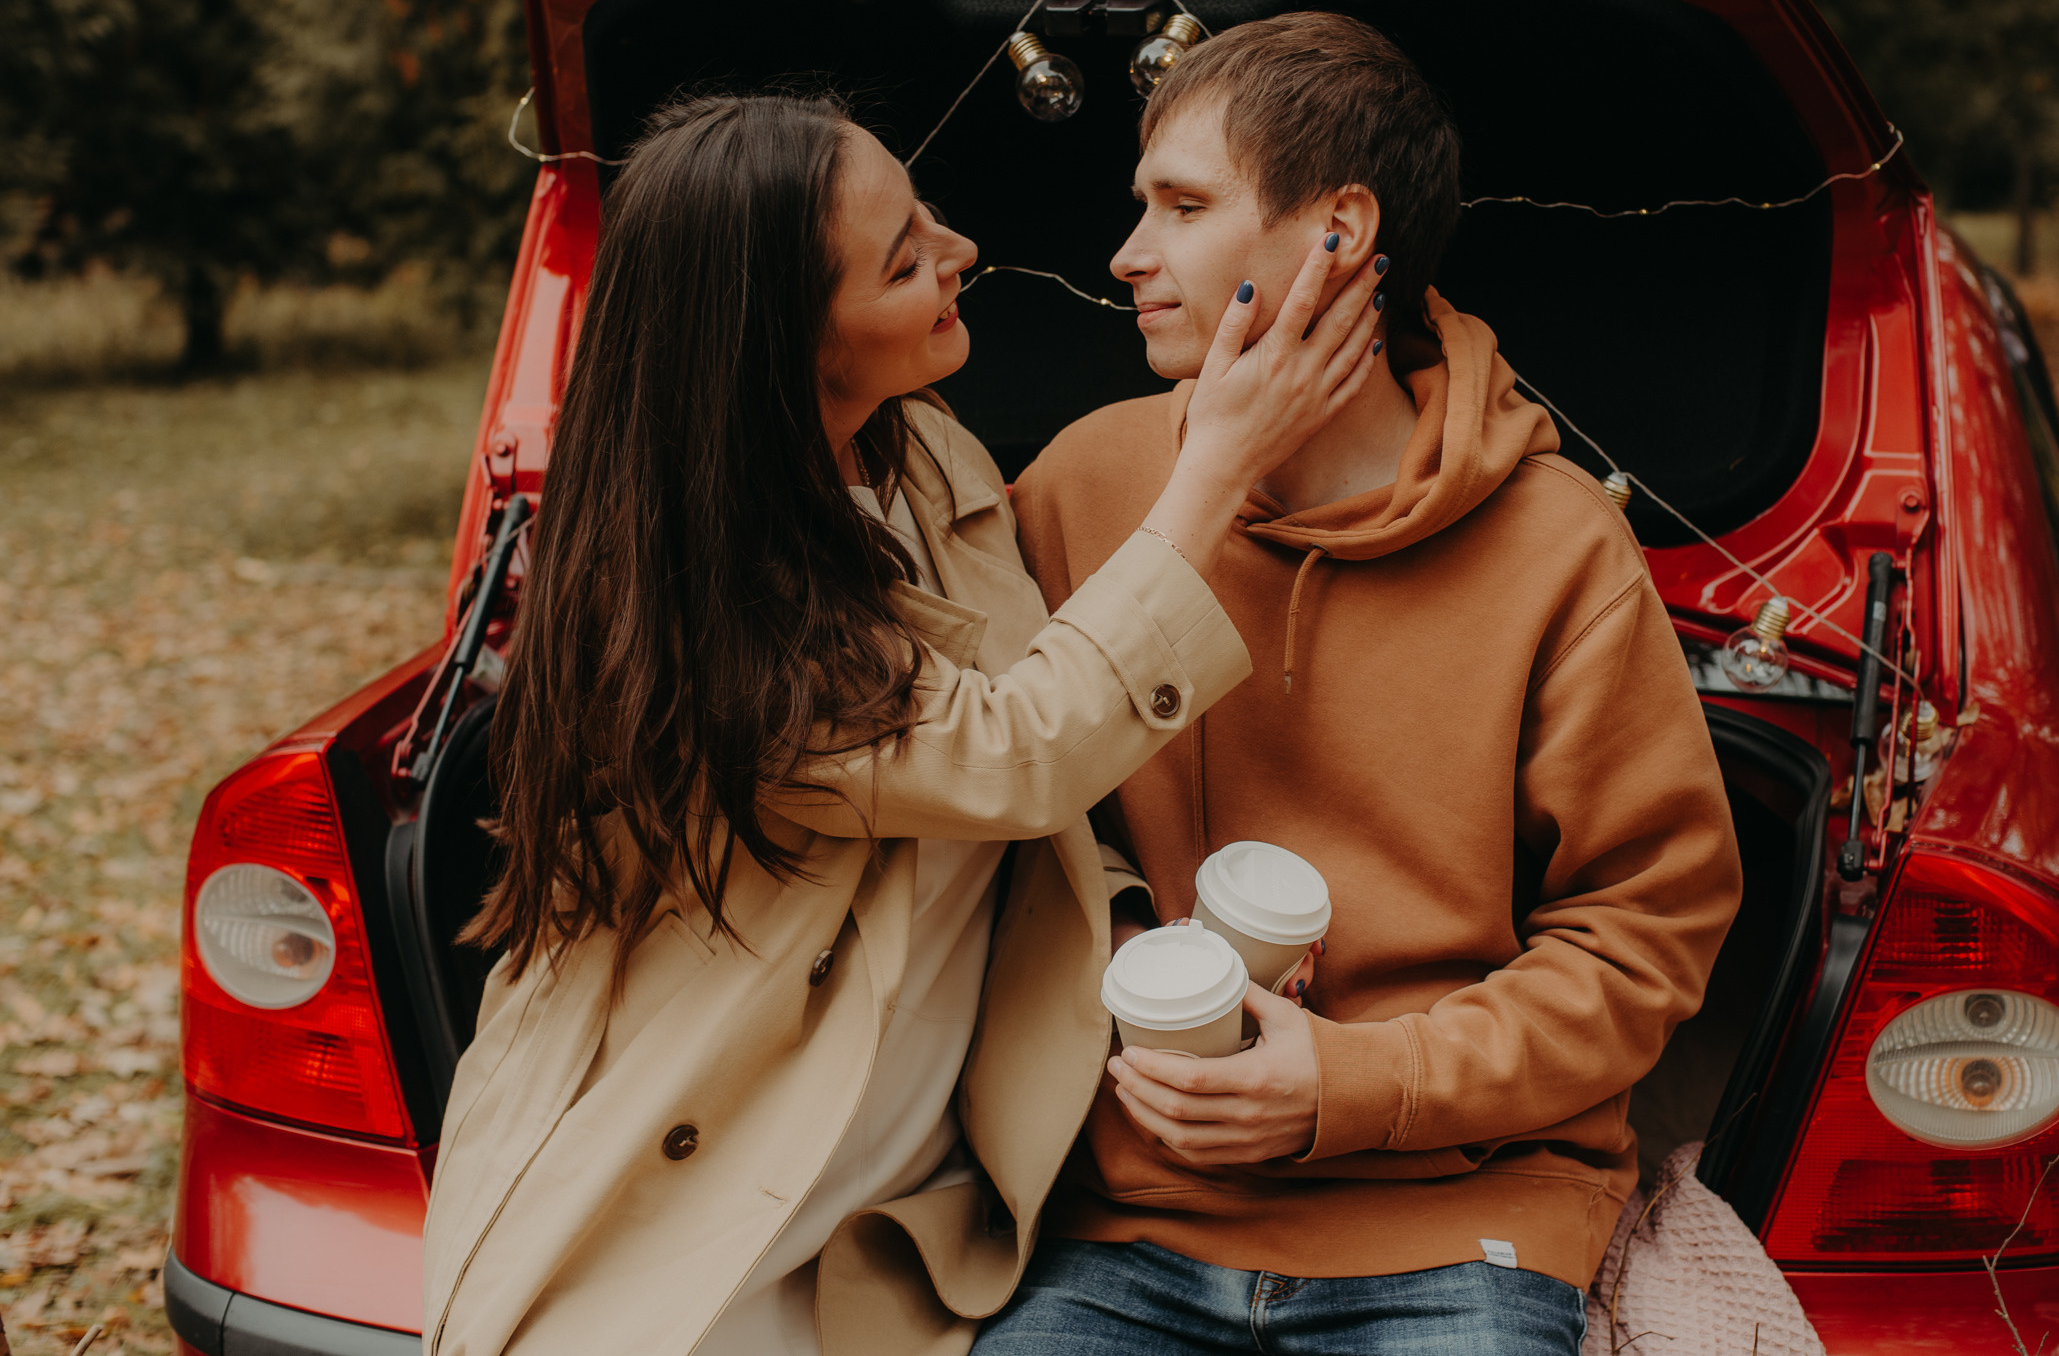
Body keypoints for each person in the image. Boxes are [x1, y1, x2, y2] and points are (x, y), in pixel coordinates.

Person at [419, 91, 1384, 1356]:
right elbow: (1008, 755)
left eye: (927, 213)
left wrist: (1122, 922)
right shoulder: (697, 607)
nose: (960, 250)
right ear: (791, 340)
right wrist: (1213, 469)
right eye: (903, 258)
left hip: (885, 1206)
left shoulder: (924, 454)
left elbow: (1009, 787)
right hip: (677, 1203)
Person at [983, 13, 1744, 1355]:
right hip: (1129, 1218)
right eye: (1140, 207)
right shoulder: (1082, 482)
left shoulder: (1560, 544)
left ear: (1338, 230)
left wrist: (1356, 1081)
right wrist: (1133, 965)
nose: (1127, 256)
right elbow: (995, 811)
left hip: (1456, 1218)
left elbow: (1642, 940)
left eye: (1183, 207)